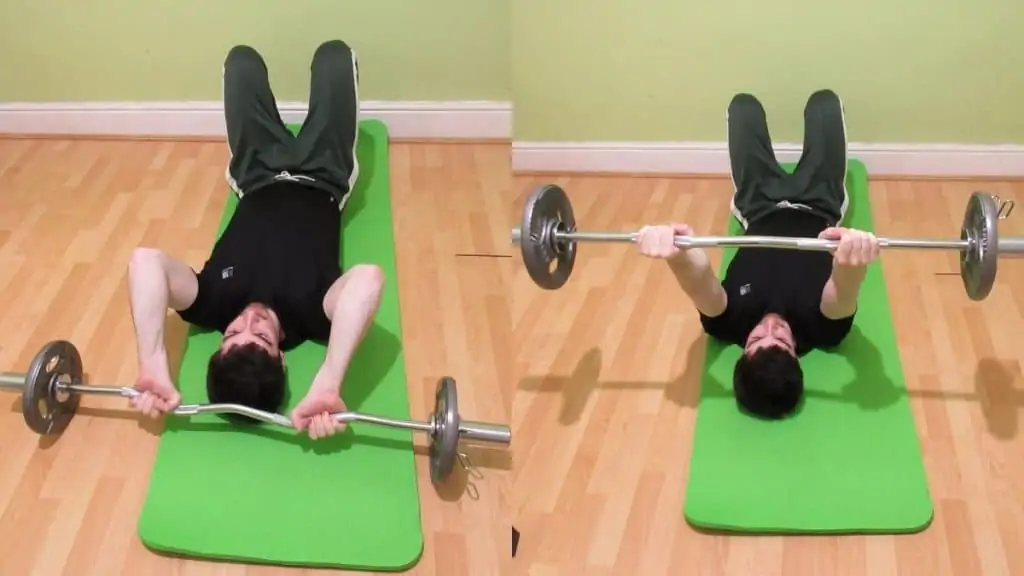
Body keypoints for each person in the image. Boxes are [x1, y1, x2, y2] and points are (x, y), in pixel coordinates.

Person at [125, 40, 384, 440]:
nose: (249, 319)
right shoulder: (314, 315)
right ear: (281, 360)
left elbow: (145, 261)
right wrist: (330, 381)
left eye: (232, 333)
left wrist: (154, 364)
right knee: (334, 56)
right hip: (324, 173)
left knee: (241, 61)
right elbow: (368, 279)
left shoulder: (211, 304)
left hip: (256, 170)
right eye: (261, 335)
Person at [637, 89, 880, 419]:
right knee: (824, 104)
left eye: (754, 341)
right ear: (795, 353)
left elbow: (698, 281)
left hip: (759, 202)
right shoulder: (824, 330)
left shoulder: (727, 323)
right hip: (819, 200)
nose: (769, 326)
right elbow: (844, 287)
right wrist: (853, 256)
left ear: (743, 352)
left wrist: (673, 250)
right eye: (780, 339)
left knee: (743, 107)